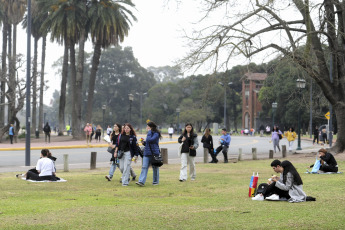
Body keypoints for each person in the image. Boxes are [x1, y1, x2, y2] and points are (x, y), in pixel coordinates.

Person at [136, 121, 162, 186]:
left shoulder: (156, 133)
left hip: (154, 153)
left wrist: (149, 132)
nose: (146, 127)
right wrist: (144, 143)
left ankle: (155, 182)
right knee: (144, 167)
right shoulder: (149, 133)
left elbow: (151, 140)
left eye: (147, 126)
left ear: (151, 127)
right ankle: (141, 181)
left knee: (155, 167)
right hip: (147, 153)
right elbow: (148, 142)